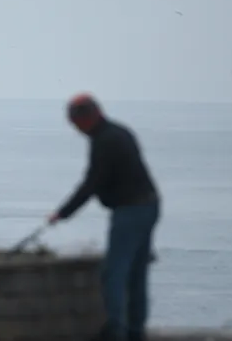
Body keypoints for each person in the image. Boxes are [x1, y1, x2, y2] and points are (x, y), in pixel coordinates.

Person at [47, 93, 160, 341]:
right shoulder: (118, 133)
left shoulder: (105, 141)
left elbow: (91, 183)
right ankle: (135, 332)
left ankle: (116, 331)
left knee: (114, 272)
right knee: (137, 274)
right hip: (149, 206)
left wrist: (62, 213)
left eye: (76, 124)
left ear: (87, 118)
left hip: (131, 210)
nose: (76, 130)